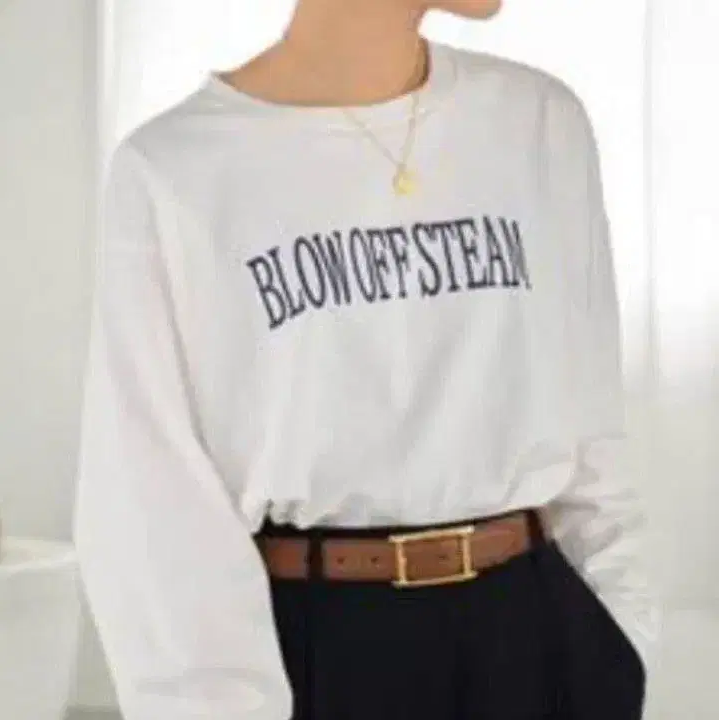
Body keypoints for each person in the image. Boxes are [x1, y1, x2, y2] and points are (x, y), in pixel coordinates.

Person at [73, 1, 660, 719]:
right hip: (319, 645)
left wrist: (618, 645)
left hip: (540, 630)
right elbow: (150, 496)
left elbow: (591, 418)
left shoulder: (538, 120)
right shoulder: (176, 170)